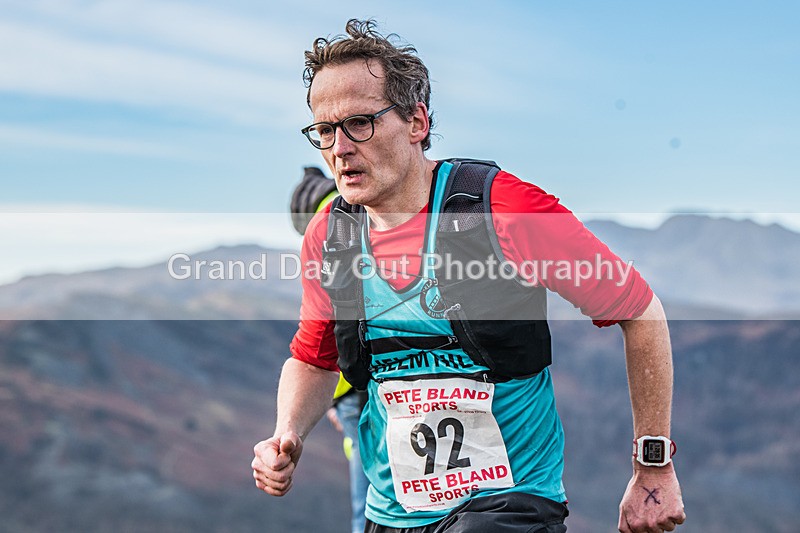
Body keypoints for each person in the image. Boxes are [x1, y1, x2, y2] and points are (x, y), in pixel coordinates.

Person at [253, 19, 686, 533]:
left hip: (510, 509)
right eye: (324, 130)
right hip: (390, 514)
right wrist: (289, 433)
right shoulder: (329, 237)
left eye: (360, 123)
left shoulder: (504, 209)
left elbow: (639, 310)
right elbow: (314, 360)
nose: (340, 148)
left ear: (417, 122)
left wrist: (653, 465)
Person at [291, 166, 370, 533]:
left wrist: (337, 398)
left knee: (370, 505)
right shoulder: (367, 211)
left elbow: (335, 335)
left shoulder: (330, 231)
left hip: (360, 390)